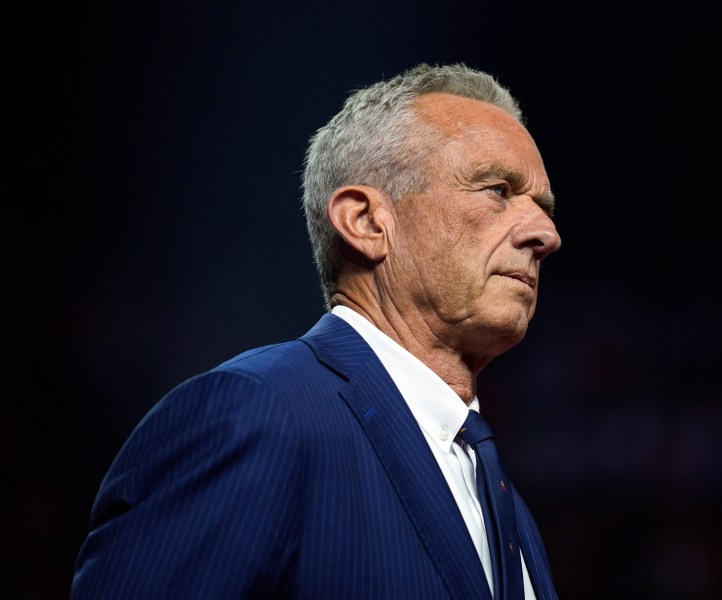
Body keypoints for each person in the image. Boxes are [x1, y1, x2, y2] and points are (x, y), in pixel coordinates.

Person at [71, 62, 562, 599]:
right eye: (497, 190)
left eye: (542, 207)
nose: (546, 234)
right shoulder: (254, 415)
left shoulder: (505, 503)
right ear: (368, 223)